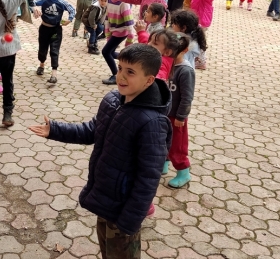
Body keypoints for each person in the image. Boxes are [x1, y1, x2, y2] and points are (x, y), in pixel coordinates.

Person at [28, 44, 172, 259]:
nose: (121, 76)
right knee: (107, 251)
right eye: (120, 67)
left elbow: (148, 178)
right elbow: (91, 131)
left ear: (149, 80)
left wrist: (131, 220)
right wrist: (55, 130)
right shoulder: (113, 101)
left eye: (130, 72)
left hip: (124, 209)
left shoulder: (152, 122)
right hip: (106, 200)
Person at [164, 33, 195, 188]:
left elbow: (187, 97)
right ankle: (165, 162)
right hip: (164, 114)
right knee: (163, 141)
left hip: (176, 117)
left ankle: (184, 172)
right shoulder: (166, 64)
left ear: (185, 50)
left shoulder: (185, 71)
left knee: (178, 146)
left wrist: (181, 116)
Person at [33, 0, 76, 84]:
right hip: (44, 28)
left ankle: (54, 74)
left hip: (56, 30)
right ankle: (41, 65)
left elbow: (72, 10)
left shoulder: (62, 2)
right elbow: (32, 2)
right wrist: (34, 9)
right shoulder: (45, 0)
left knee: (54, 50)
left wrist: (69, 20)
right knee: (42, 49)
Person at [188, 0, 224, 70]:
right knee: (194, 39)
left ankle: (201, 61)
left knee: (198, 41)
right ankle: (197, 58)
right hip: (197, 18)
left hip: (202, 20)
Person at [101, 0, 135, 85]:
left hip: (121, 31)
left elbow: (129, 21)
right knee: (110, 52)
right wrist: (107, 32)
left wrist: (130, 38)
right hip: (113, 30)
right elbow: (107, 17)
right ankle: (128, 59)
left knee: (105, 52)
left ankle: (115, 75)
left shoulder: (123, 3)